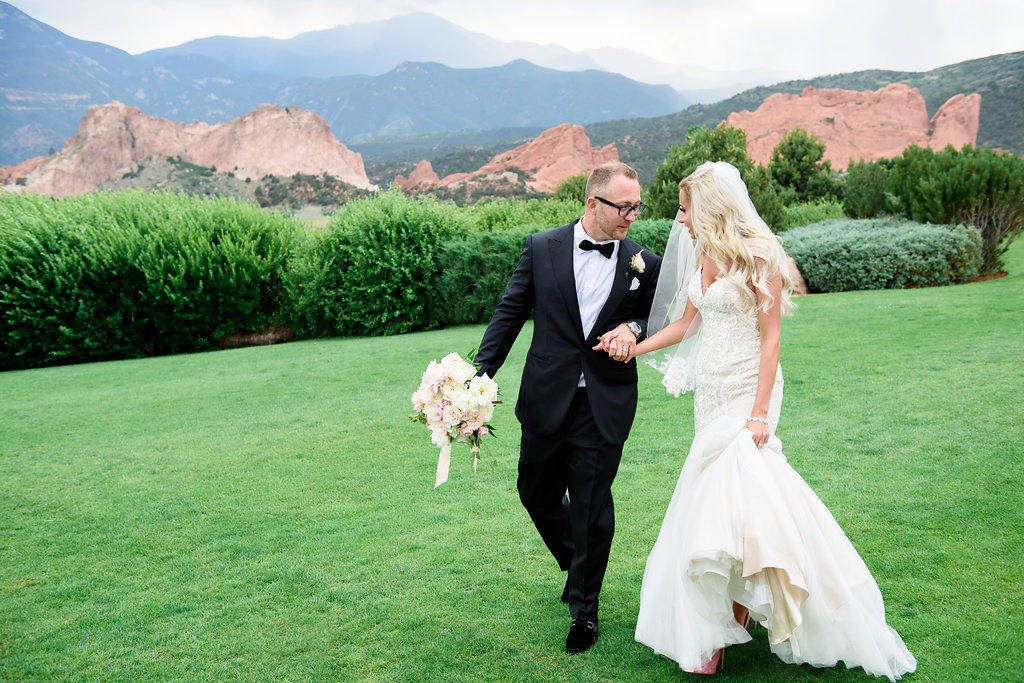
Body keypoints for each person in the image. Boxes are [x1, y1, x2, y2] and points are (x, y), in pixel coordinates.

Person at [600, 161, 916, 679]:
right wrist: (634, 347)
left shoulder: (760, 256)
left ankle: (727, 626)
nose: (680, 220)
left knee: (727, 493)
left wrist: (759, 413)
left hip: (750, 388)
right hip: (711, 391)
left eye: (685, 210)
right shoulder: (703, 252)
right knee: (732, 503)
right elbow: (686, 324)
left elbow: (771, 341)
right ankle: (733, 612)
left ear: (709, 208)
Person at [474, 161, 662, 653]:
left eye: (637, 207)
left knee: (590, 507)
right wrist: (477, 377)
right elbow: (510, 312)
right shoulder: (542, 247)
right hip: (546, 396)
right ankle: (577, 561)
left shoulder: (645, 261)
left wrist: (633, 329)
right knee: (534, 492)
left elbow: (658, 317)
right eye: (624, 207)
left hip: (604, 402)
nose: (632, 216)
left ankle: (584, 612)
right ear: (592, 203)